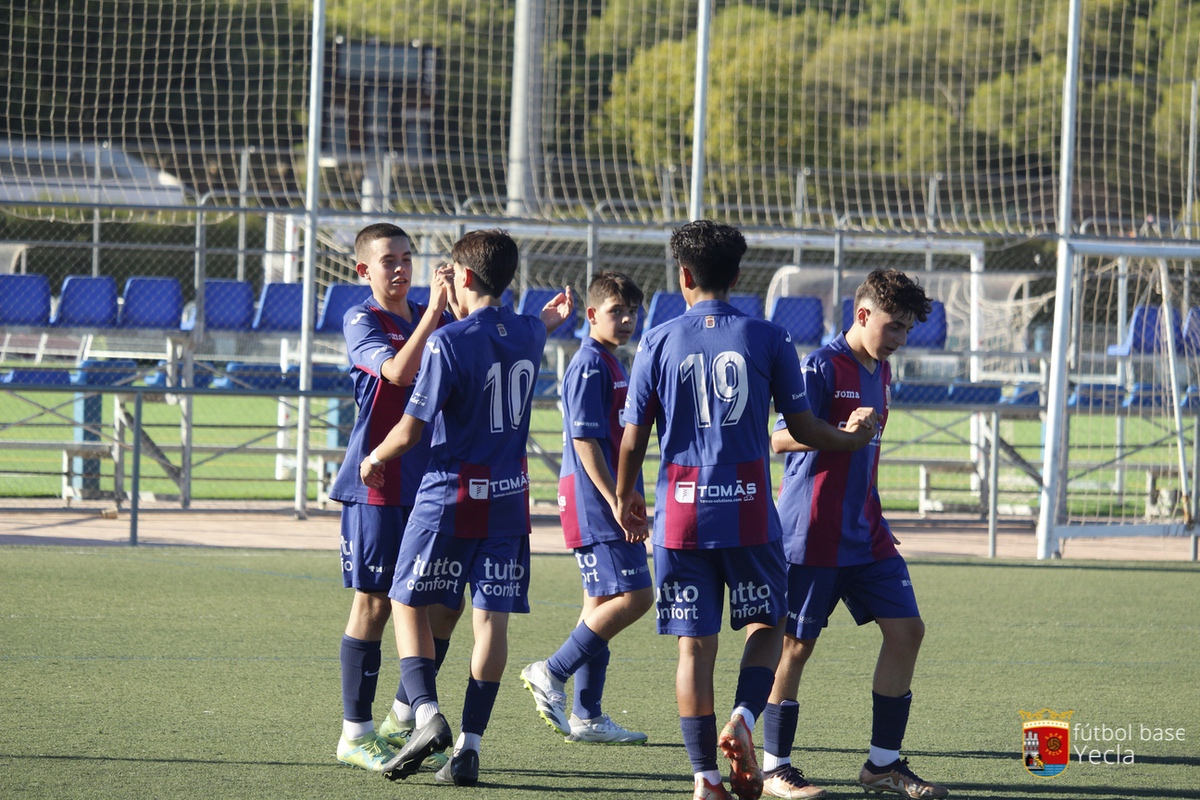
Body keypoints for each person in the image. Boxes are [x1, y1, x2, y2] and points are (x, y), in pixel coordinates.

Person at [614, 220, 878, 800]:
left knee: (694, 645)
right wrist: (853, 438)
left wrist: (624, 495)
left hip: (681, 514)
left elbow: (632, 437)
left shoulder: (657, 340)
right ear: (737, 277)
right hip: (750, 509)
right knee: (769, 625)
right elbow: (803, 427)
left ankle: (704, 778)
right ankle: (744, 719)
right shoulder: (769, 337)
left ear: (682, 275)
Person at [359, 228, 574, 786]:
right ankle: (470, 748)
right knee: (490, 622)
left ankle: (426, 714)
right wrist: (553, 316)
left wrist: (374, 456)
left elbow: (409, 430)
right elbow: (539, 324)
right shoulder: (528, 331)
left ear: (466, 278)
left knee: (405, 601)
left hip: (450, 495)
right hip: (508, 500)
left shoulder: (448, 342)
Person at [758, 269, 948, 800]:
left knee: (908, 632)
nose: (899, 339)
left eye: (907, 330)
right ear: (862, 315)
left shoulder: (880, 372)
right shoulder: (820, 365)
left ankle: (882, 765)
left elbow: (866, 452)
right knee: (795, 648)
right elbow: (777, 439)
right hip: (813, 534)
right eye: (893, 327)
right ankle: (775, 768)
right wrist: (839, 433)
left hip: (867, 534)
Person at [328, 222, 463, 773]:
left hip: (431, 481)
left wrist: (539, 324)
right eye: (389, 260)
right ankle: (354, 734)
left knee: (446, 603)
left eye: (407, 257)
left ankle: (402, 718)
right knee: (375, 603)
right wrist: (435, 313)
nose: (401, 267)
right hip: (377, 480)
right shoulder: (361, 319)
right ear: (364, 269)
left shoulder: (435, 315)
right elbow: (399, 371)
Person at [520, 271, 654, 745]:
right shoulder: (590, 364)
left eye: (632, 312)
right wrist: (616, 498)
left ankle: (588, 715)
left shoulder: (612, 362)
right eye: (617, 312)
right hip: (593, 500)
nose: (627, 320)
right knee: (637, 597)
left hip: (603, 498)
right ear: (592, 314)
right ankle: (550, 671)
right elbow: (584, 441)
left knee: (598, 606)